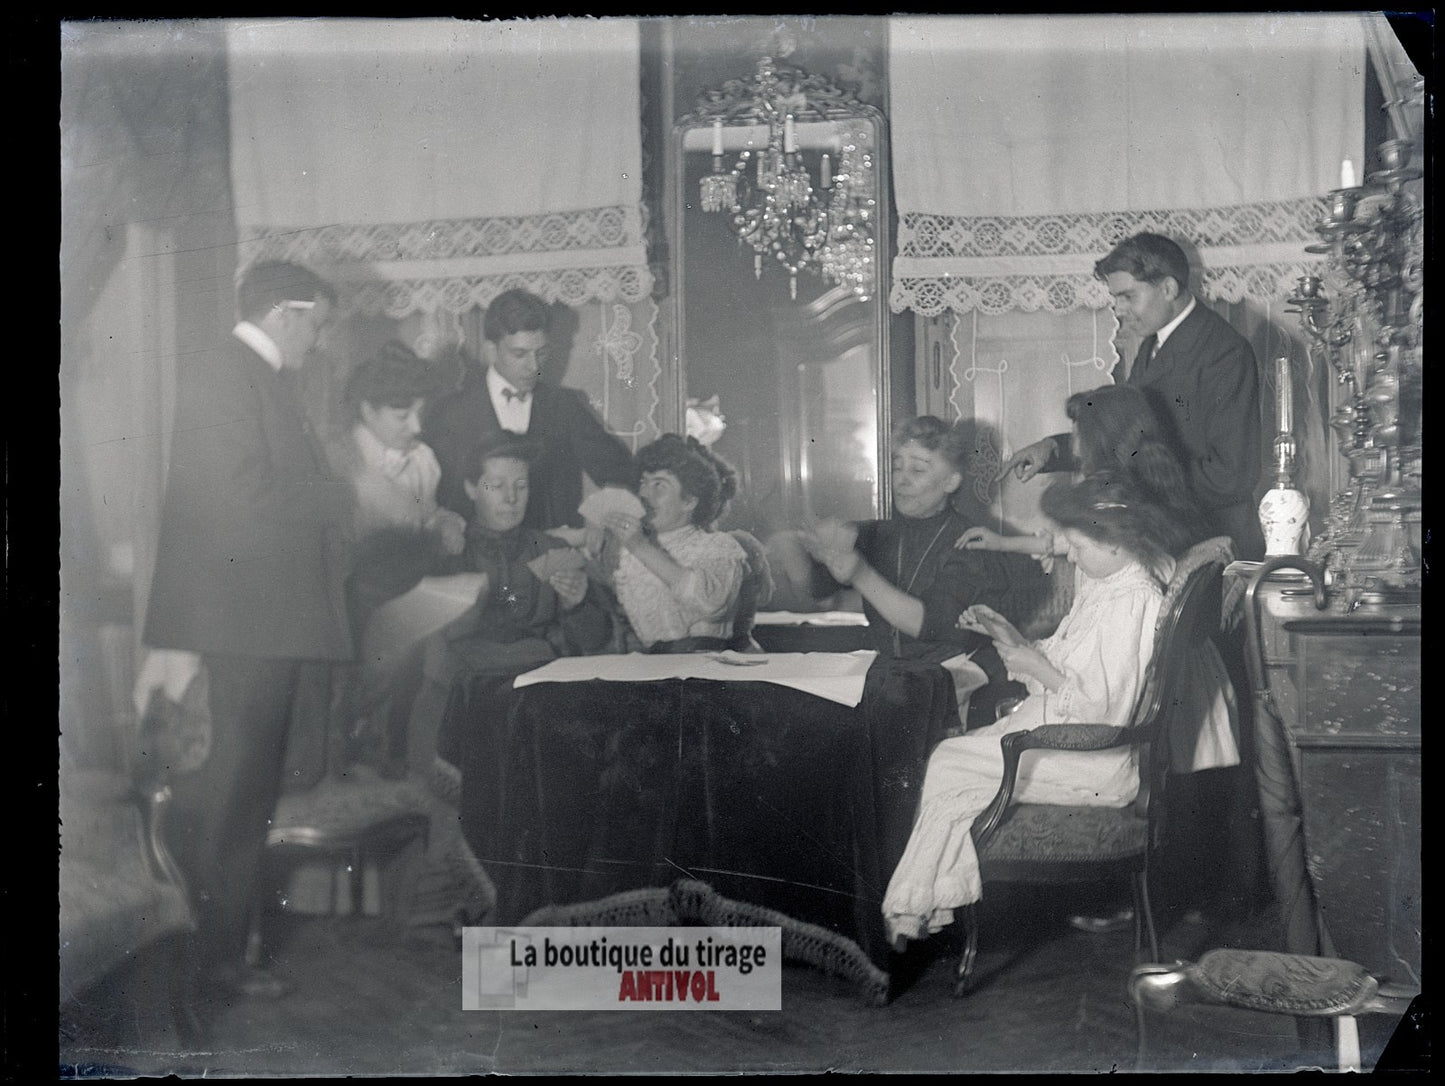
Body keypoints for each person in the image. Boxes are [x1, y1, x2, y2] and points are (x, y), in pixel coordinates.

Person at [136, 260, 348, 1002]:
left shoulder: (250, 376)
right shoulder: (229, 373)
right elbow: (243, 494)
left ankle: (215, 945)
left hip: (260, 618)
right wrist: (346, 491)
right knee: (235, 789)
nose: (318, 341)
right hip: (246, 620)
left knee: (242, 787)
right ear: (286, 314)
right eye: (317, 323)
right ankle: (214, 958)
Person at [882, 473, 1193, 951]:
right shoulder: (1107, 583)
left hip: (1094, 760)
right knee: (955, 772)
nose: (1068, 555)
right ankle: (922, 905)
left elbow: (1103, 711)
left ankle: (917, 907)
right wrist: (1012, 640)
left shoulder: (1133, 602)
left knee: (951, 763)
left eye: (1078, 545)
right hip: (1062, 736)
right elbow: (1069, 661)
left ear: (1117, 544)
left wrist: (1033, 666)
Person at [998, 232, 1264, 561]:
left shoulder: (1223, 352)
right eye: (1115, 298)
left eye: (1127, 296)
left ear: (1168, 288)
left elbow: (1231, 476)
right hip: (1174, 536)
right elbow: (1126, 435)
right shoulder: (1156, 343)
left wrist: (1138, 491)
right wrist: (1051, 449)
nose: (1119, 309)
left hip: (1213, 544)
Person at [790, 415, 1047, 728]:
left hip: (958, 686)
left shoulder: (971, 543)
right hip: (899, 681)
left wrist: (860, 574)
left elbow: (930, 625)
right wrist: (813, 549)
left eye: (918, 469)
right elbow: (816, 591)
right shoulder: (878, 534)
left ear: (951, 481)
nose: (901, 479)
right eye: (897, 465)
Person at [324, 340, 467, 777]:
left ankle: (392, 755)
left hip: (407, 586)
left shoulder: (423, 459)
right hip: (352, 589)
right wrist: (433, 526)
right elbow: (401, 517)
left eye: (420, 412)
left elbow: (425, 518)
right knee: (371, 672)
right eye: (402, 415)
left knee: (414, 673)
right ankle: (352, 749)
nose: (416, 425)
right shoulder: (343, 458)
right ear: (367, 410)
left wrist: (446, 521)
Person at [424, 287, 636, 530]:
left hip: (553, 557)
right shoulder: (450, 411)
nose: (533, 367)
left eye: (541, 353)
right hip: (475, 559)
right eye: (519, 354)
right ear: (491, 350)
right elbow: (433, 497)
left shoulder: (565, 406)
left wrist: (601, 517)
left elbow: (622, 472)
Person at [598, 433, 748, 653]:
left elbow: (709, 604)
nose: (644, 494)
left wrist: (640, 546)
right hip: (651, 670)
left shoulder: (719, 546)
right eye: (643, 482)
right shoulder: (628, 550)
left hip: (707, 668)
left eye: (659, 485)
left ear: (689, 501)